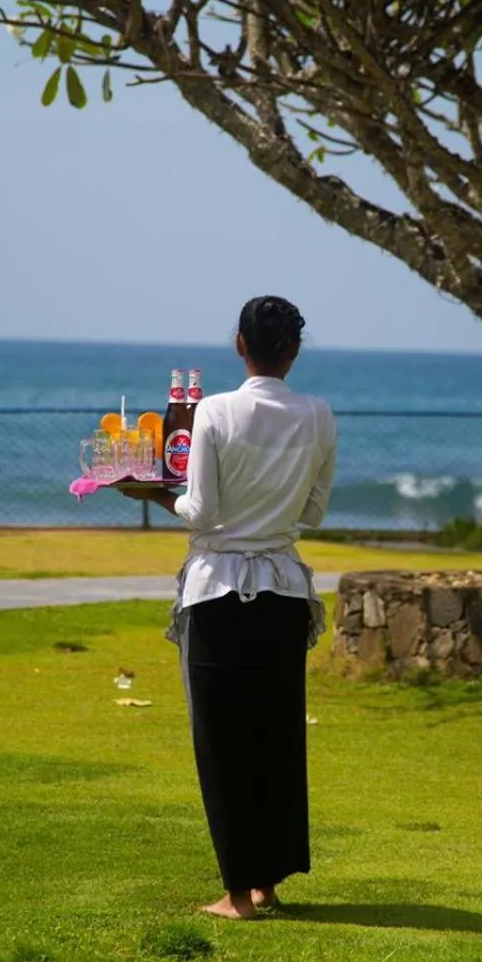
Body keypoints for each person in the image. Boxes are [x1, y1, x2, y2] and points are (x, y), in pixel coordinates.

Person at [124, 295, 337, 921]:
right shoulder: (319, 415)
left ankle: (238, 895)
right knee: (275, 738)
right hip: (283, 591)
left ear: (239, 345)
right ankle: (268, 883)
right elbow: (313, 513)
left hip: (219, 591)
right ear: (292, 351)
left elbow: (203, 512)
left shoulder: (214, 409)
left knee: (221, 742)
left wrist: (149, 494)